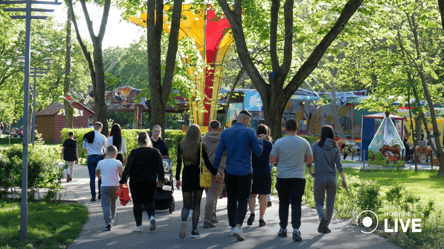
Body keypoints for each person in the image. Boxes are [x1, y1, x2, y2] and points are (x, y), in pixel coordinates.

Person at [213, 110, 265, 241]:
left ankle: (232, 227)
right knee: (243, 200)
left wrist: (214, 171)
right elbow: (258, 152)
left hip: (230, 171)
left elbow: (218, 152)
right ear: (246, 120)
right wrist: (260, 141)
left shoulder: (225, 132)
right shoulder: (250, 132)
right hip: (245, 171)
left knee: (231, 199)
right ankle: (238, 226)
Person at [176, 124, 222, 239]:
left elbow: (178, 164)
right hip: (198, 177)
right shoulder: (201, 146)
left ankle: (183, 221)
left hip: (186, 176)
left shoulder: (181, 145)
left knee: (186, 205)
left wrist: (177, 179)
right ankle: (194, 230)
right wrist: (216, 174)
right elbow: (207, 163)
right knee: (196, 205)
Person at [270, 118, 313, 241]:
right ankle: (296, 229)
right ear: (297, 128)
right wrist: (301, 160)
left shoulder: (279, 142)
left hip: (283, 177)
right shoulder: (304, 142)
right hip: (298, 177)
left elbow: (272, 159)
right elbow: (310, 160)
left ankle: (283, 228)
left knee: (283, 204)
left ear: (285, 128)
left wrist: (280, 160)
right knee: (296, 203)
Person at [120, 132, 165, 232]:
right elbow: (160, 167)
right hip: (150, 181)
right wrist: (161, 179)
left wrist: (123, 180)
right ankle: (151, 217)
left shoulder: (134, 152)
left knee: (137, 203)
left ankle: (139, 226)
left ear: (138, 141)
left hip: (136, 181)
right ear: (148, 140)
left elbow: (128, 168)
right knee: (149, 201)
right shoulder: (155, 152)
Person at [310, 125, 347, 234]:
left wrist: (309, 171)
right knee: (330, 203)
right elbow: (339, 165)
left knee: (319, 202)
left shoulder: (315, 146)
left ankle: (322, 217)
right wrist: (343, 180)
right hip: (332, 178)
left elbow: (309, 159)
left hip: (319, 177)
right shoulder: (335, 147)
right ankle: (325, 226)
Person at [247, 124, 273, 227]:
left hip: (254, 171)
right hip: (265, 171)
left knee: (252, 195)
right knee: (263, 196)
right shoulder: (269, 144)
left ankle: (252, 213)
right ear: (266, 133)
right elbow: (272, 159)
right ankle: (261, 219)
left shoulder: (252, 144)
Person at [202, 120, 226, 228]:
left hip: (205, 170)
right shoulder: (223, 140)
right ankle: (207, 219)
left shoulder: (202, 139)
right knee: (213, 196)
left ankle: (211, 216)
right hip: (219, 171)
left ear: (208, 128)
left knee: (209, 195)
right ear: (219, 129)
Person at [95, 145, 123, 231]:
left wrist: (99, 176)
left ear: (106, 153)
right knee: (113, 203)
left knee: (106, 205)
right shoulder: (118, 162)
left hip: (104, 186)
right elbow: (122, 175)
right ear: (115, 154)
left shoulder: (100, 162)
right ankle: (112, 219)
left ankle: (108, 223)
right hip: (115, 186)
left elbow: (97, 172)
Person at [83, 122, 107, 201]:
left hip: (90, 157)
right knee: (100, 176)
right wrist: (104, 154)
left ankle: (93, 196)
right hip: (100, 157)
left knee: (92, 178)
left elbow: (84, 147)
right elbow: (106, 150)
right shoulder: (103, 137)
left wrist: (89, 152)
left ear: (94, 127)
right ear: (101, 128)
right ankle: (100, 194)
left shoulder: (88, 135)